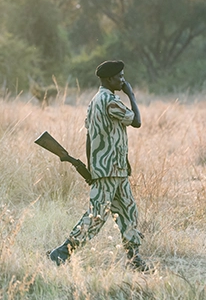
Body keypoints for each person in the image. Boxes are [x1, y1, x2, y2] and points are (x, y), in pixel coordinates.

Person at [47, 60, 151, 271]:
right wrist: (131, 95)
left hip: (114, 169)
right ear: (109, 79)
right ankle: (62, 252)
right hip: (109, 170)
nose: (123, 80)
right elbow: (137, 121)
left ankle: (134, 258)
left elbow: (89, 136)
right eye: (120, 77)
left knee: (128, 212)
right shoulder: (110, 101)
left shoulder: (94, 101)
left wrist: (90, 167)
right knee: (96, 216)